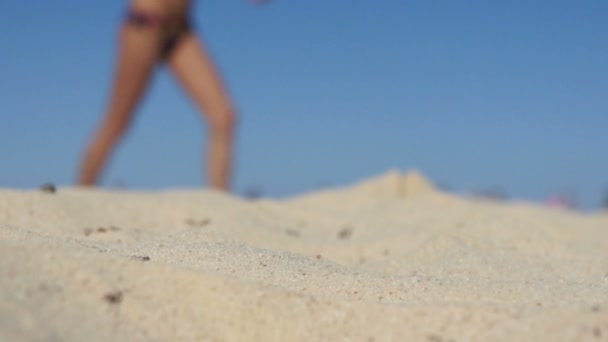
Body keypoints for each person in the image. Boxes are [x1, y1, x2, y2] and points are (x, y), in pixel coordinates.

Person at [78, 0, 268, 190]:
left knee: (224, 116)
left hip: (181, 32)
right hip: (145, 25)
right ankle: (81, 192)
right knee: (117, 123)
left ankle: (219, 202)